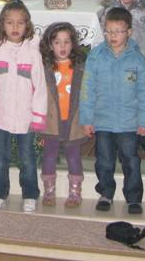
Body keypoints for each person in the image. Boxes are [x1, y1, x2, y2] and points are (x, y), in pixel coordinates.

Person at [80, 7, 145, 215]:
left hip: (129, 123)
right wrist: (87, 119)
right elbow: (87, 89)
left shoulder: (137, 60)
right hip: (103, 120)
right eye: (109, 31)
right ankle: (105, 193)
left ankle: (133, 198)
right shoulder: (96, 56)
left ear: (129, 32)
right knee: (104, 160)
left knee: (131, 161)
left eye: (118, 31)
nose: (112, 36)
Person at [0, 1, 47, 213]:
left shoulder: (33, 54)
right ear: (2, 25)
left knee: (27, 159)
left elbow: (40, 87)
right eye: (10, 23)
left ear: (27, 25)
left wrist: (38, 116)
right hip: (2, 117)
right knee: (0, 159)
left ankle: (30, 194)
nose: (15, 27)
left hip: (26, 118)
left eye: (20, 23)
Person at [38, 22, 88, 208]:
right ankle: (49, 191)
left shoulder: (80, 67)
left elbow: (88, 94)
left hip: (73, 120)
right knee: (49, 156)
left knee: (74, 156)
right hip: (52, 120)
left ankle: (75, 192)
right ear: (50, 45)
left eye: (67, 42)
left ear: (73, 44)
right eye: (57, 42)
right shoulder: (44, 67)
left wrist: (88, 119)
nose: (62, 46)